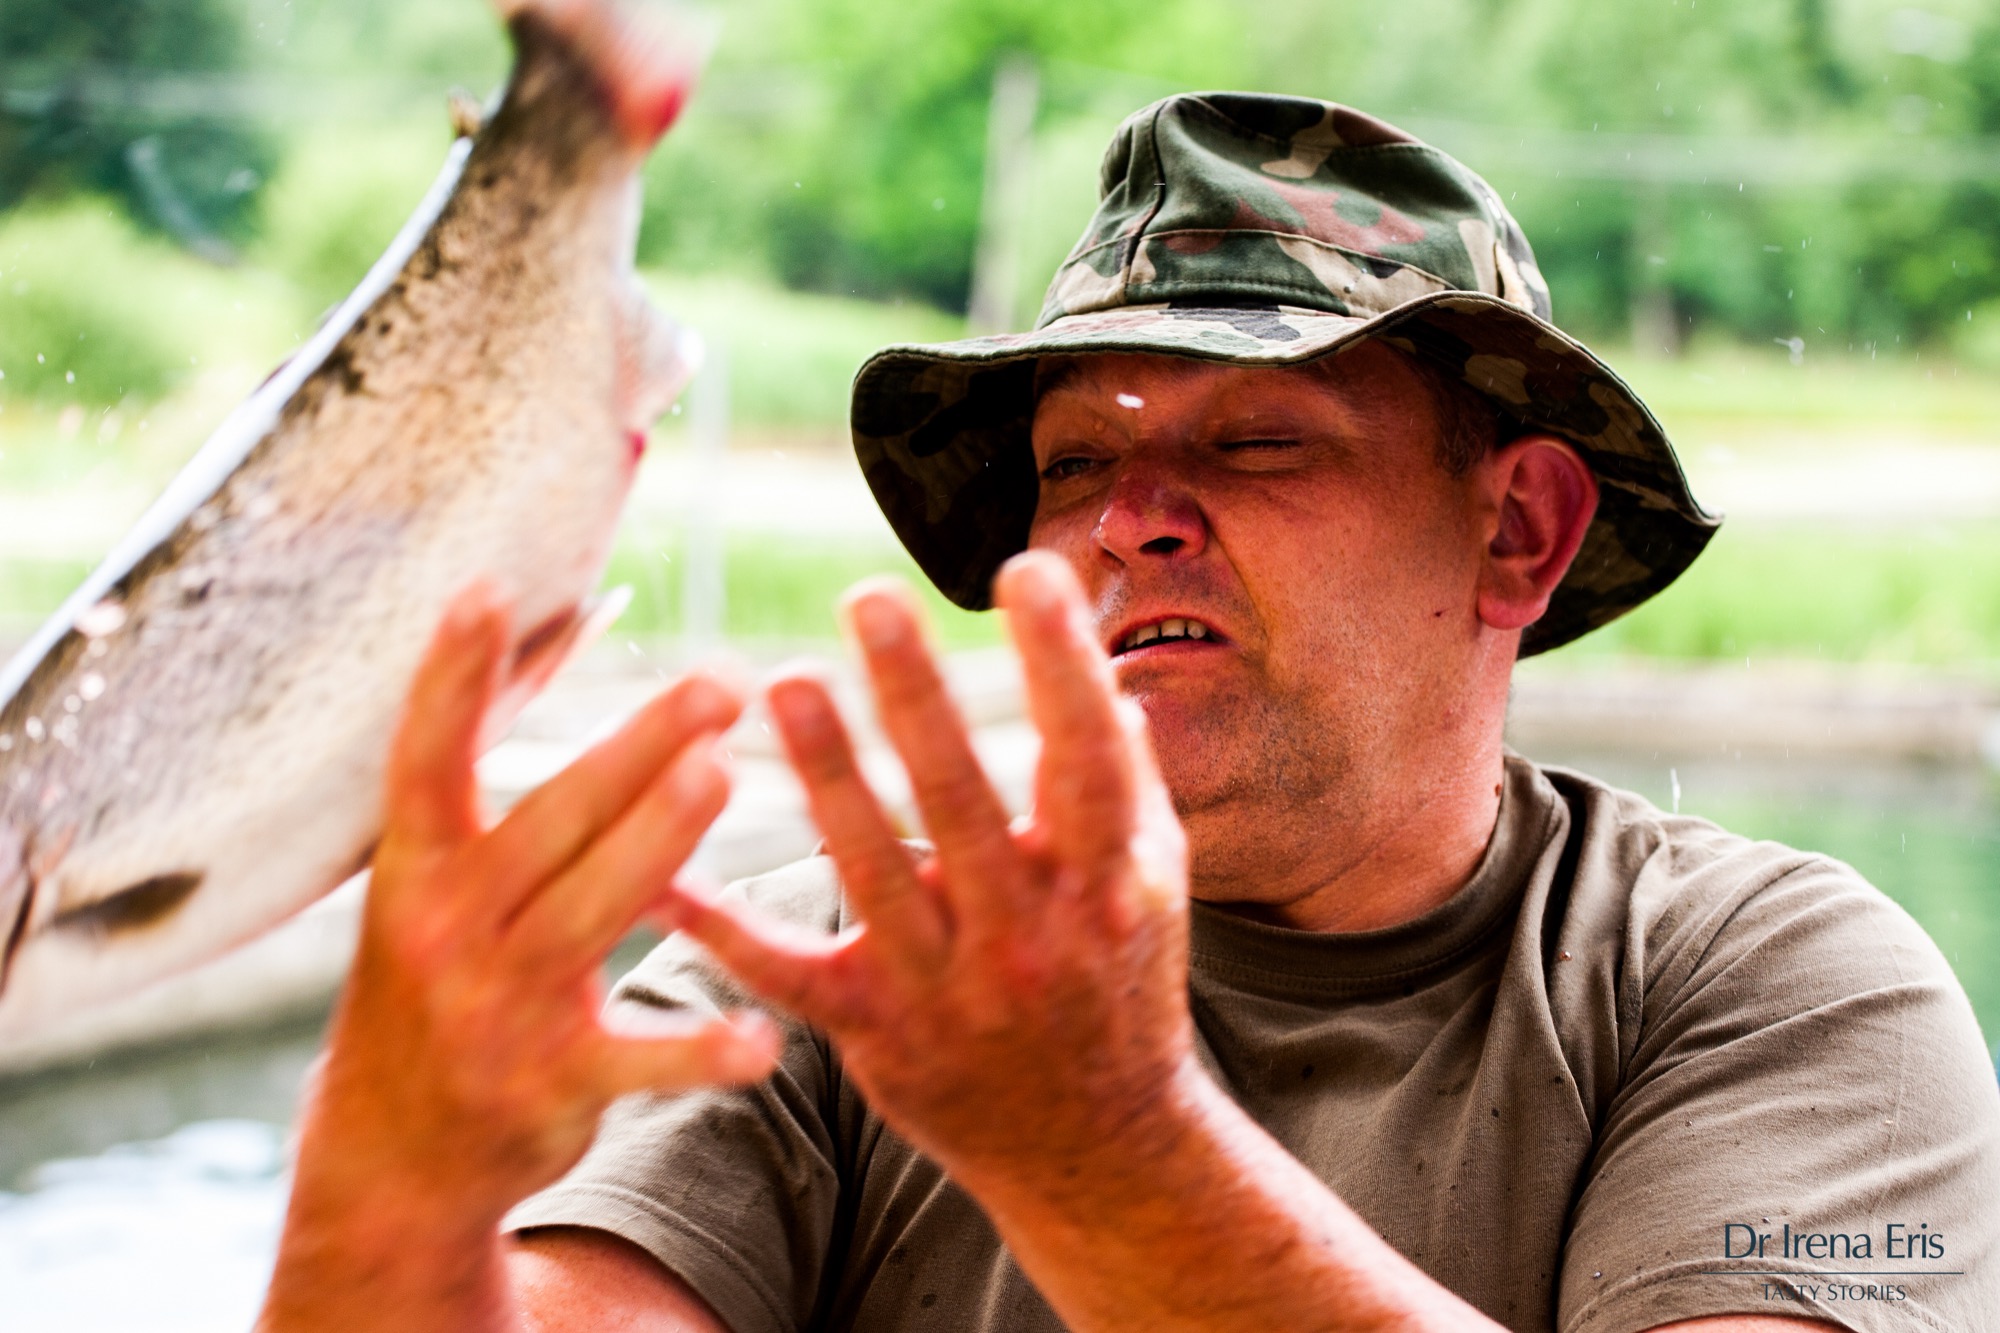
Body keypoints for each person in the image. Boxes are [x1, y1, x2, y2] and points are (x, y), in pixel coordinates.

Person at [256, 94, 2000, 1333]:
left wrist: (1099, 1152)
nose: (1129, 518)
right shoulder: (817, 971)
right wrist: (380, 1185)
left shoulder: (1762, 983)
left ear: (1519, 528)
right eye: (1077, 460)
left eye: (1255, 437)